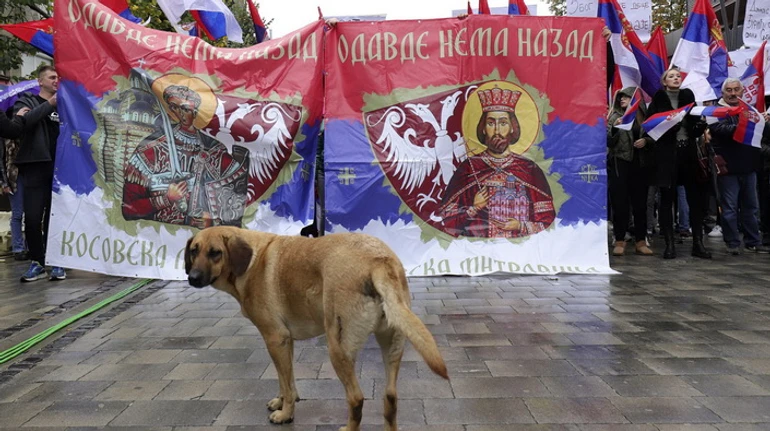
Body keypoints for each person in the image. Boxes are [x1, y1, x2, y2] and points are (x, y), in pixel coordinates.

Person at [122, 83, 250, 228]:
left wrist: (213, 220)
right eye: (175, 107)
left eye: (185, 108)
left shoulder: (214, 150)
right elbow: (129, 208)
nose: (180, 113)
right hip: (157, 241)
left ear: (196, 112)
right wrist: (166, 199)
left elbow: (235, 201)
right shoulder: (150, 152)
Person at [438, 86, 555, 238]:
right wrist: (473, 208)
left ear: (513, 127)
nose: (497, 131)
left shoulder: (529, 169)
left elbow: (547, 222)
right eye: (491, 123)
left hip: (521, 252)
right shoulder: (469, 168)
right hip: (475, 252)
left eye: (503, 123)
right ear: (484, 128)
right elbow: (447, 223)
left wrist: (520, 225)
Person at [641, 68, 711, 259]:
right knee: (666, 200)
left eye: (678, 76)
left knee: (694, 200)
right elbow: (650, 128)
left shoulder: (688, 97)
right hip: (666, 156)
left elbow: (695, 128)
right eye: (671, 76)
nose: (676, 78)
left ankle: (698, 243)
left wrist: (699, 125)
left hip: (687, 153)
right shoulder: (658, 99)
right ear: (664, 81)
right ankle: (669, 245)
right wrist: (671, 125)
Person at [12, 65, 67, 281]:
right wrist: (49, 105)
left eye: (58, 78)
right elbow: (22, 124)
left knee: (57, 217)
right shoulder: (27, 100)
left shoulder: (66, 104)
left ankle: (57, 262)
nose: (56, 81)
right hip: (35, 166)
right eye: (52, 77)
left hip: (60, 169)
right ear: (40, 81)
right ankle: (37, 261)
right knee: (33, 218)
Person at [709, 78, 770, 254]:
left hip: (749, 165)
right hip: (728, 167)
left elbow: (763, 132)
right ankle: (733, 243)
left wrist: (763, 121)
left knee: (751, 207)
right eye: (729, 90)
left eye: (736, 89)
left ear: (742, 92)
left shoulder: (748, 109)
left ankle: (753, 241)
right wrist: (746, 123)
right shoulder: (716, 111)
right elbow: (720, 130)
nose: (733, 93)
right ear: (723, 93)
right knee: (729, 208)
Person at [607, 87, 653, 256]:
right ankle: (619, 240)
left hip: (640, 165)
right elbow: (608, 141)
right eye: (621, 98)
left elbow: (655, 135)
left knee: (640, 205)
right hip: (621, 164)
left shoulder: (644, 118)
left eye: (626, 97)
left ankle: (641, 241)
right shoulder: (615, 117)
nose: (622, 100)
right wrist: (615, 129)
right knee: (620, 204)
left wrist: (646, 141)